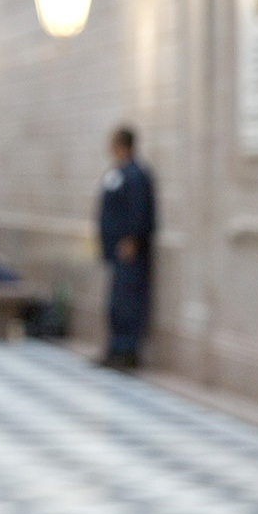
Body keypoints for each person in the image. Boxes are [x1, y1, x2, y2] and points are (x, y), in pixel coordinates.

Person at [97, 125, 156, 369]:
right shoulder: (117, 173)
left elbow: (139, 211)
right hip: (115, 251)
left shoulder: (136, 175)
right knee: (116, 303)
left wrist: (132, 239)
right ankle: (115, 348)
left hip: (130, 251)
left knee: (129, 302)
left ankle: (127, 351)